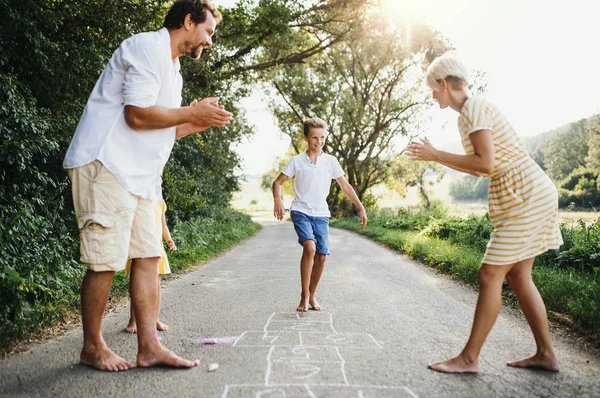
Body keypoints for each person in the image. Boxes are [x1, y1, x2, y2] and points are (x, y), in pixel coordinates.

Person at [63, 0, 232, 371]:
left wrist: (196, 122)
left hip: (140, 177)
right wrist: (191, 111)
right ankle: (92, 347)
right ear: (189, 21)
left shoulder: (174, 72)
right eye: (208, 32)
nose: (210, 41)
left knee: (148, 257)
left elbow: (163, 128)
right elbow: (136, 114)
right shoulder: (145, 47)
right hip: (106, 164)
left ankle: (149, 346)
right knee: (106, 260)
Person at [405, 52, 562, 374]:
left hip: (526, 195)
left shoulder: (474, 108)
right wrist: (436, 156)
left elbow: (485, 164)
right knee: (518, 276)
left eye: (433, 88)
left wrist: (436, 154)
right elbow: (482, 168)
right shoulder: (471, 112)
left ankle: (469, 357)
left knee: (490, 274)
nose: (432, 94)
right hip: (525, 193)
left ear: (445, 83)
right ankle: (545, 354)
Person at [272, 117, 368, 312]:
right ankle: (304, 295)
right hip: (301, 210)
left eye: (322, 137)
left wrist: (360, 206)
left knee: (322, 256)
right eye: (315, 138)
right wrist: (278, 200)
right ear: (306, 138)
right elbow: (277, 182)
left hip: (321, 214)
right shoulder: (297, 161)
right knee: (310, 248)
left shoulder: (330, 162)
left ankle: (312, 295)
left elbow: (345, 186)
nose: (319, 141)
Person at [124, 180, 176, 334]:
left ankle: (155, 319)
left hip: (157, 248)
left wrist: (169, 239)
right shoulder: (138, 199)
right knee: (137, 283)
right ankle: (133, 320)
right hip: (140, 247)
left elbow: (163, 225)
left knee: (156, 284)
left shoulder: (160, 203)